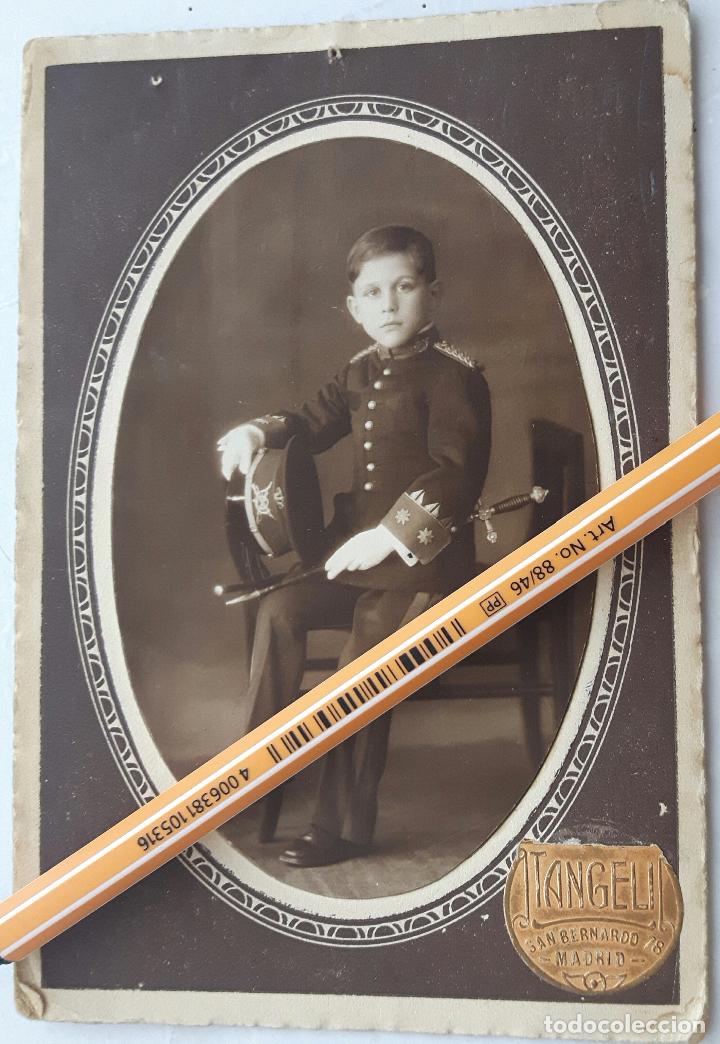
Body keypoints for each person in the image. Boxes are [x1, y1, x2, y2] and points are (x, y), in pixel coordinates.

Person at [218, 225, 491, 867]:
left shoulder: (457, 378)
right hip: (356, 562)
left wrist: (387, 535)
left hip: (425, 568)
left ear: (434, 292)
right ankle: (256, 775)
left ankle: (339, 826)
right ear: (354, 307)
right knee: (281, 612)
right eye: (373, 292)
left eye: (404, 287)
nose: (389, 304)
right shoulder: (360, 372)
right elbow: (309, 423)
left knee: (361, 663)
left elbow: (455, 474)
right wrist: (256, 431)